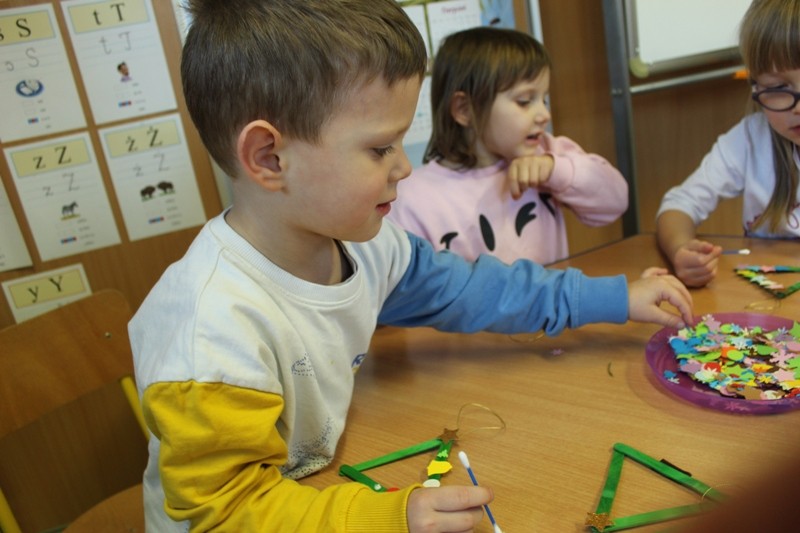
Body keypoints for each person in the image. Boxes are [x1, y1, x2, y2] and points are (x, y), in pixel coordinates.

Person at [128, 1, 693, 531]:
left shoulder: (369, 246)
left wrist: (614, 298)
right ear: (269, 158)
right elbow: (228, 515)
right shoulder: (209, 333)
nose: (404, 167)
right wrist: (390, 517)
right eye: (381, 149)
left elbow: (476, 291)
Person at [388, 27, 628, 265]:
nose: (544, 115)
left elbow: (615, 202)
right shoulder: (413, 199)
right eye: (524, 101)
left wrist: (556, 170)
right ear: (464, 109)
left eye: (543, 99)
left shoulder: (547, 154)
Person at [657, 0, 800, 287]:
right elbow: (679, 205)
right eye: (778, 88)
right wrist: (681, 250)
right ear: (756, 86)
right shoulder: (750, 139)